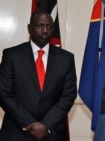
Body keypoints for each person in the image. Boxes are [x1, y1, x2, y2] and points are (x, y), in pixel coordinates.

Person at [0, 10, 77, 140]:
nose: (45, 30)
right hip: (17, 133)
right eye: (39, 25)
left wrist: (46, 125)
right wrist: (30, 125)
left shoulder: (66, 58)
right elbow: (3, 93)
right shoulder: (12, 55)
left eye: (49, 26)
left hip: (52, 133)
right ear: (29, 28)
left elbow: (68, 95)